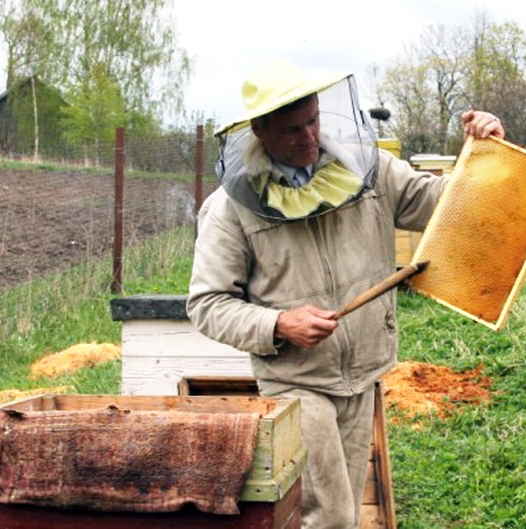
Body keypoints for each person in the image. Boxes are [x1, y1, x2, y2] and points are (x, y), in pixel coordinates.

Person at [187, 58, 505, 528]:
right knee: (330, 517)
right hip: (296, 380)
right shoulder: (230, 209)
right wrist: (279, 324)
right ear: (259, 131)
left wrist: (484, 152)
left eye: (313, 120)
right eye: (292, 129)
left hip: (363, 373)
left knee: (345, 515)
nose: (309, 137)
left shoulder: (369, 170)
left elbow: (446, 206)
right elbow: (207, 304)